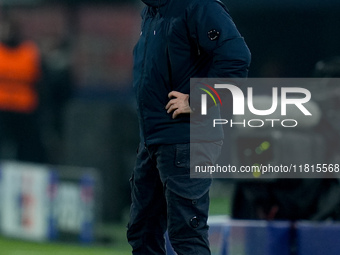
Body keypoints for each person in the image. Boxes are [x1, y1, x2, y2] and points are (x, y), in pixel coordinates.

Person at [127, 0, 250, 254]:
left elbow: (236, 58)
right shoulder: (152, 12)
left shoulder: (198, 5)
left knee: (186, 235)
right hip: (153, 140)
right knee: (142, 232)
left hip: (187, 138)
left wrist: (198, 100)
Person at [0, 16, 46, 163]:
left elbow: (40, 81)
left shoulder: (29, 52)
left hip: (24, 109)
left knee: (27, 148)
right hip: (2, 109)